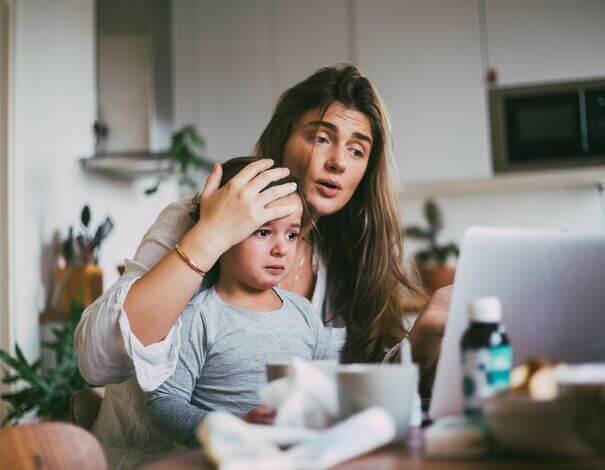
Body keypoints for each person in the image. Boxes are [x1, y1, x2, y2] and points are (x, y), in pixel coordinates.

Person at [75, 63, 451, 396]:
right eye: (321, 138)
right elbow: (97, 362)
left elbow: (351, 387)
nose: (338, 162)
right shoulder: (193, 216)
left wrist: (421, 339)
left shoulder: (348, 253)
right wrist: (211, 234)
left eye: (357, 150)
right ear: (282, 140)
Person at [93, 157, 336, 468]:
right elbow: (164, 403)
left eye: (291, 234)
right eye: (263, 232)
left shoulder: (303, 313)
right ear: (223, 233)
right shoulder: (200, 317)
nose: (281, 248)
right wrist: (232, 427)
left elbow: (327, 383)